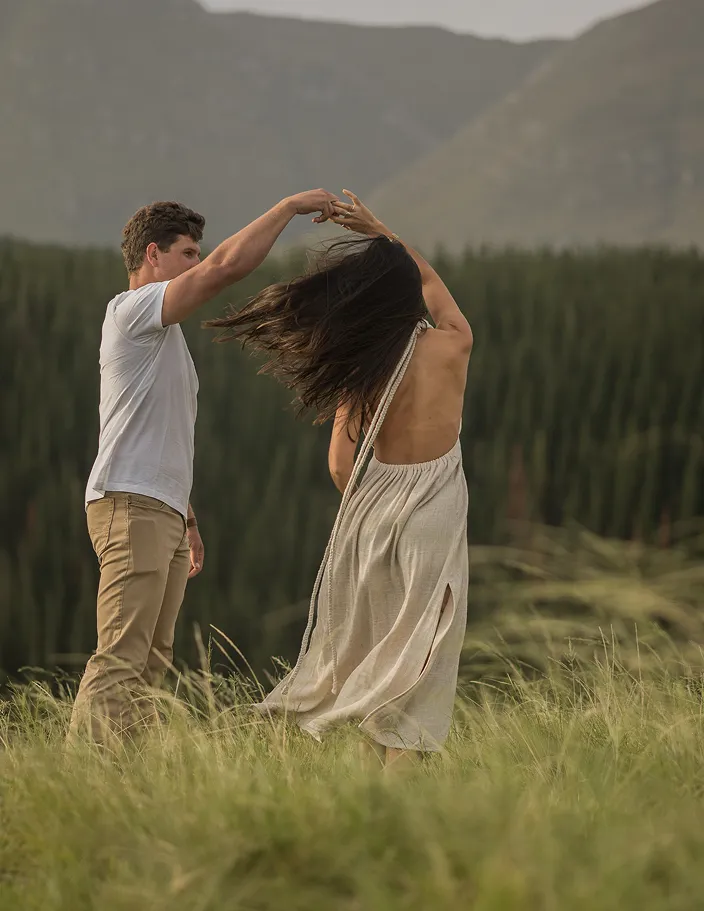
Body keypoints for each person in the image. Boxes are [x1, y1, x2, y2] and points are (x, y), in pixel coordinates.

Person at [206, 191, 472, 767]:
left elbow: (339, 464)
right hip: (435, 506)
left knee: (376, 641)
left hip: (374, 505)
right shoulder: (454, 344)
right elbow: (433, 287)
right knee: (422, 649)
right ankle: (396, 786)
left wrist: (370, 499)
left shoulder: (365, 368)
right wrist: (381, 231)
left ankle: (367, 776)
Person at [70, 189, 341, 740]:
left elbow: (157, 433)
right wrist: (288, 208)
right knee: (121, 658)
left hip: (160, 509)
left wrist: (186, 516)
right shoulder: (132, 312)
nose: (197, 262)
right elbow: (225, 270)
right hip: (131, 505)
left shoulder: (161, 334)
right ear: (153, 254)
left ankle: (126, 776)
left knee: (151, 664)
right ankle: (82, 776)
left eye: (197, 253)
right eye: (188, 253)